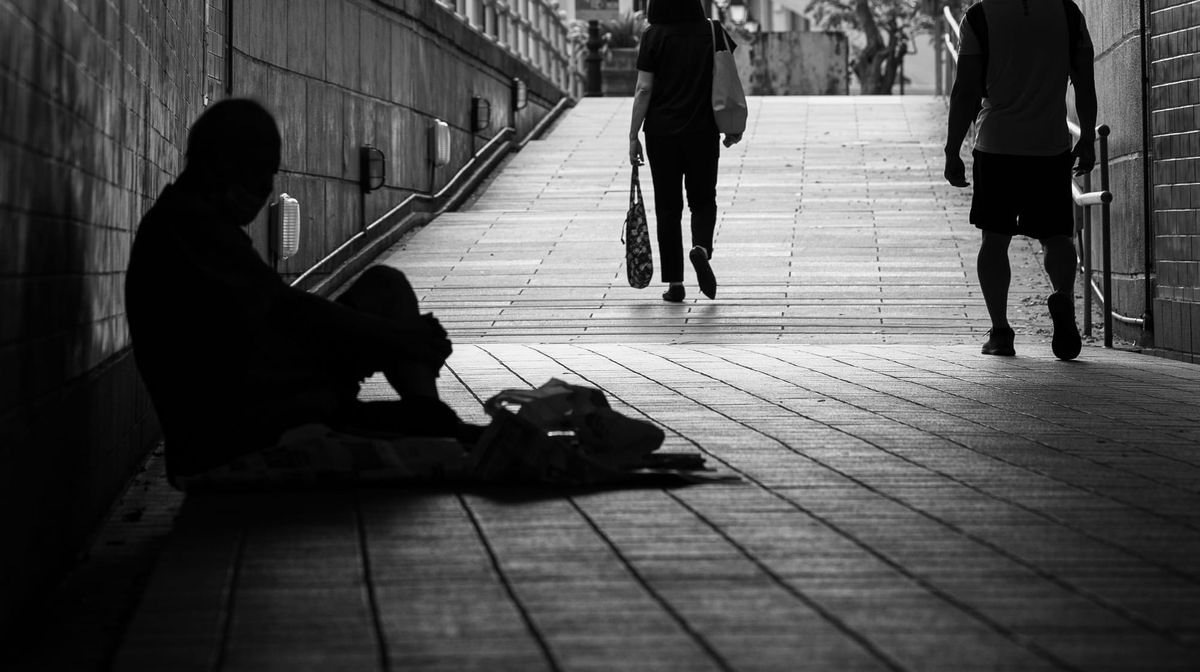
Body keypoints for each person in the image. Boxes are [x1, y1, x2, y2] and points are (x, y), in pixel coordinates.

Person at [126, 98, 476, 485]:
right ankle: (435, 425)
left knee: (385, 287)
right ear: (225, 165)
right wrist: (399, 338)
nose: (265, 189)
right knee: (422, 414)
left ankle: (433, 422)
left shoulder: (196, 223)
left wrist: (392, 339)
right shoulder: (189, 229)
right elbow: (290, 310)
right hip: (248, 428)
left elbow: (284, 313)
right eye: (262, 173)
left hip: (275, 397)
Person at [944, 0, 1097, 360]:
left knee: (994, 240)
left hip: (997, 144)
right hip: (1050, 144)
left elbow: (965, 89)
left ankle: (1000, 332)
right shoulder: (1068, 13)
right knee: (1057, 236)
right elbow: (1085, 82)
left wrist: (952, 151)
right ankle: (1064, 302)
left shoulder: (980, 15)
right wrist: (1087, 137)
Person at [628, 0, 742, 303]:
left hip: (661, 134)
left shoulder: (653, 36)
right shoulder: (712, 31)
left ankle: (676, 284)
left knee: (668, 208)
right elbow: (728, 77)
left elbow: (643, 89)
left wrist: (632, 134)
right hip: (703, 132)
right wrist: (732, 123)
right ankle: (701, 248)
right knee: (703, 200)